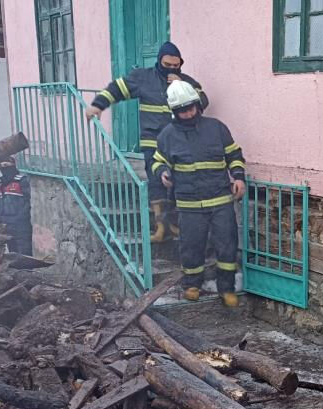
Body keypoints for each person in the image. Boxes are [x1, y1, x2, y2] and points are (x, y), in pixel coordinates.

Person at [86, 41, 208, 243]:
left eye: (175, 65)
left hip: (179, 142)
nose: (171, 68)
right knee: (156, 182)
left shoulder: (187, 81)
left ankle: (174, 224)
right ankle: (160, 228)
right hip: (153, 141)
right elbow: (116, 89)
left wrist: (181, 85)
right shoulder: (142, 78)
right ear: (159, 61)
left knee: (179, 182)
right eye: (167, 64)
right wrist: (98, 105)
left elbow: (203, 101)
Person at [151, 80, 245, 307]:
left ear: (197, 105)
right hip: (189, 204)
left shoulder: (216, 128)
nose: (188, 113)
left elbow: (234, 154)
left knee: (227, 246)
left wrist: (239, 177)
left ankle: (227, 289)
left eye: (191, 107)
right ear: (175, 111)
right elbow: (157, 162)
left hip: (221, 200)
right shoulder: (167, 135)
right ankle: (192, 285)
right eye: (182, 110)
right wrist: (163, 172)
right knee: (191, 247)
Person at [0, 156, 33, 255]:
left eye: (6, 165)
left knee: (25, 253)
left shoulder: (22, 181)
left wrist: (20, 218)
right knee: (12, 254)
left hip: (21, 225)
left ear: (13, 165)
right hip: (6, 226)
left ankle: (27, 271)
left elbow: (29, 202)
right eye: (1, 166)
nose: (3, 168)